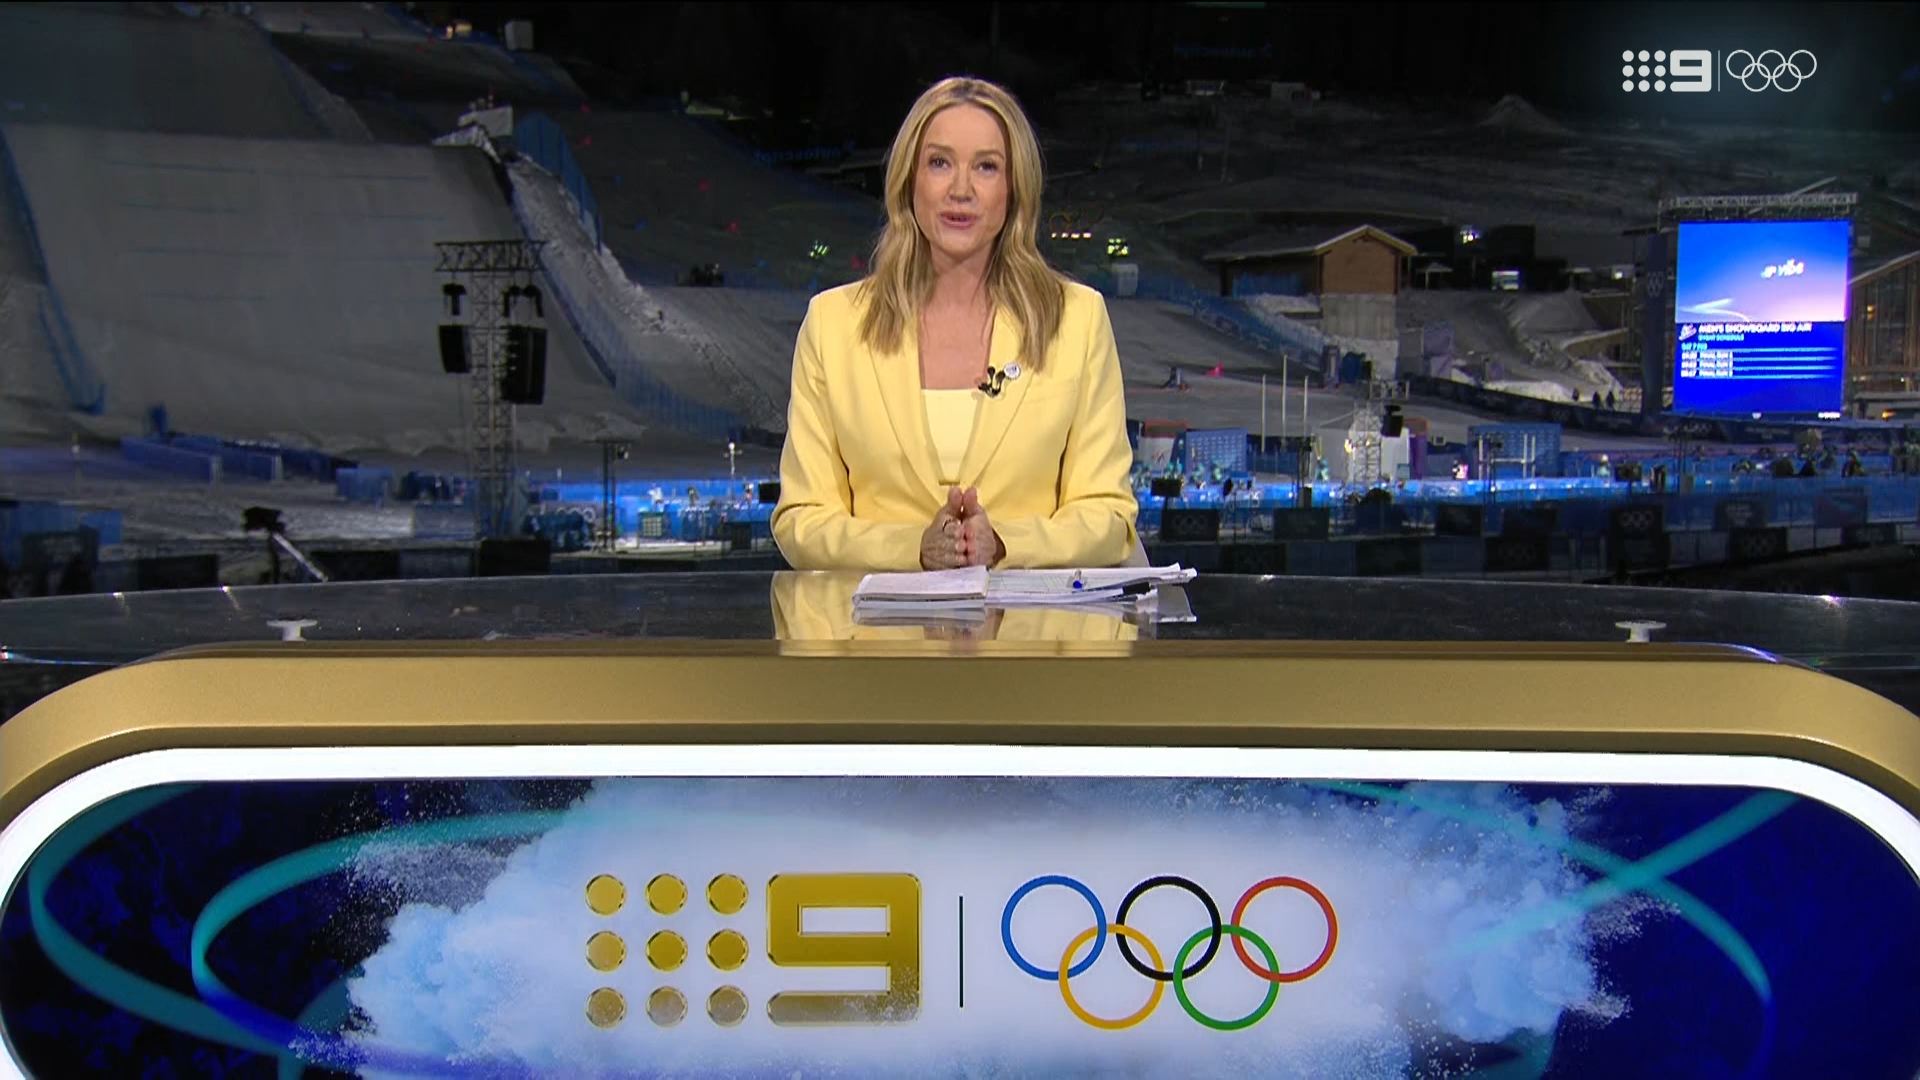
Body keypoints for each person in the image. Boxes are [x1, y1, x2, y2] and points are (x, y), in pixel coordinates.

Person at [772, 77, 1138, 570]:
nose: (961, 190)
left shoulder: (1076, 320)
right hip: (876, 621)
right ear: (910, 181)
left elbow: (1109, 516)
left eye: (986, 167)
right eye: (940, 163)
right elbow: (802, 520)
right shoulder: (834, 324)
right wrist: (914, 549)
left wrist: (1004, 544)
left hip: (1026, 619)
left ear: (1013, 188)